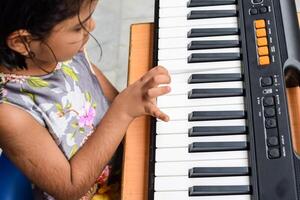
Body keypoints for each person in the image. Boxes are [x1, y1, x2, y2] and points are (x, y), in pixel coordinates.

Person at [0, 0, 171, 199]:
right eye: (78, 27)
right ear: (23, 42)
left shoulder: (61, 53)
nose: (92, 26)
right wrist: (123, 111)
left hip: (126, 166)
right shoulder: (9, 113)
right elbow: (70, 187)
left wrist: (139, 98)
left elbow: (114, 102)